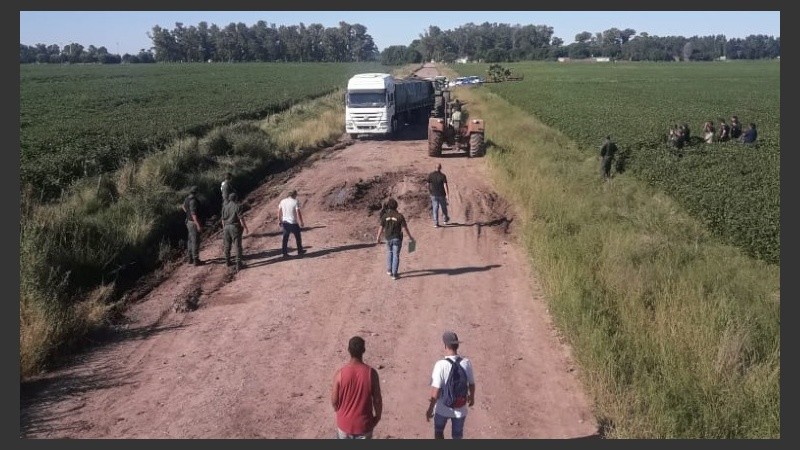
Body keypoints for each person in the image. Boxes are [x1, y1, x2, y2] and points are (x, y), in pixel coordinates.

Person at [425, 331, 476, 439]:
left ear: (445, 345)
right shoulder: (466, 362)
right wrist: (472, 397)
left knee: (439, 432)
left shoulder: (440, 365)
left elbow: (436, 390)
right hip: (460, 409)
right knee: (457, 436)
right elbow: (471, 383)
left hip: (442, 409)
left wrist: (430, 409)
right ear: (457, 345)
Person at [331, 336, 383, 439]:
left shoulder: (340, 374)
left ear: (348, 350)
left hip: (344, 426)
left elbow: (334, 401)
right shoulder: (371, 374)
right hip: (364, 426)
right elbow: (377, 400)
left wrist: (341, 414)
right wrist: (377, 417)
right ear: (364, 350)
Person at [375, 198, 414, 280]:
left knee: (389, 253)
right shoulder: (400, 216)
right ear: (396, 206)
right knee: (396, 255)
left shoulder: (385, 216)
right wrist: (410, 237)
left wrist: (378, 237)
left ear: (388, 207)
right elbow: (405, 228)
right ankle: (394, 274)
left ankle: (389, 270)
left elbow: (381, 228)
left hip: (388, 238)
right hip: (397, 239)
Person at [220, 192, 249, 270]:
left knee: (227, 245)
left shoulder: (224, 207)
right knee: (237, 246)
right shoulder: (237, 206)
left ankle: (227, 261)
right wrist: (245, 227)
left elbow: (222, 220)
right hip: (234, 227)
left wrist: (224, 228)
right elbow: (241, 219)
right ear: (236, 198)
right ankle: (239, 264)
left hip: (226, 227)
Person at [278, 189, 305, 257]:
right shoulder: (295, 201)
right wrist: (301, 221)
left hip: (285, 222)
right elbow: (298, 212)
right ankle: (300, 251)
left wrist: (280, 221)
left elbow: (279, 212)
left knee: (285, 238)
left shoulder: (282, 201)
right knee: (298, 237)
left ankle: (284, 253)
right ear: (294, 195)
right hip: (293, 222)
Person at [181, 186, 204, 266]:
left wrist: (187, 214)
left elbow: (183, 206)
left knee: (190, 240)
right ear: (196, 192)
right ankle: (195, 260)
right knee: (195, 241)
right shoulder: (193, 201)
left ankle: (190, 258)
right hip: (193, 223)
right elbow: (194, 214)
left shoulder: (187, 199)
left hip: (188, 222)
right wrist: (198, 225)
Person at [427, 163, 450, 228]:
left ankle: (436, 223)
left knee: (435, 208)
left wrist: (430, 192)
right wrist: (447, 195)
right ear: (440, 168)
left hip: (434, 195)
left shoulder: (430, 175)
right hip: (442, 194)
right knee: (444, 208)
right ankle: (445, 220)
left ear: (435, 167)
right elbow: (445, 185)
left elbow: (428, 185)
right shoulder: (443, 176)